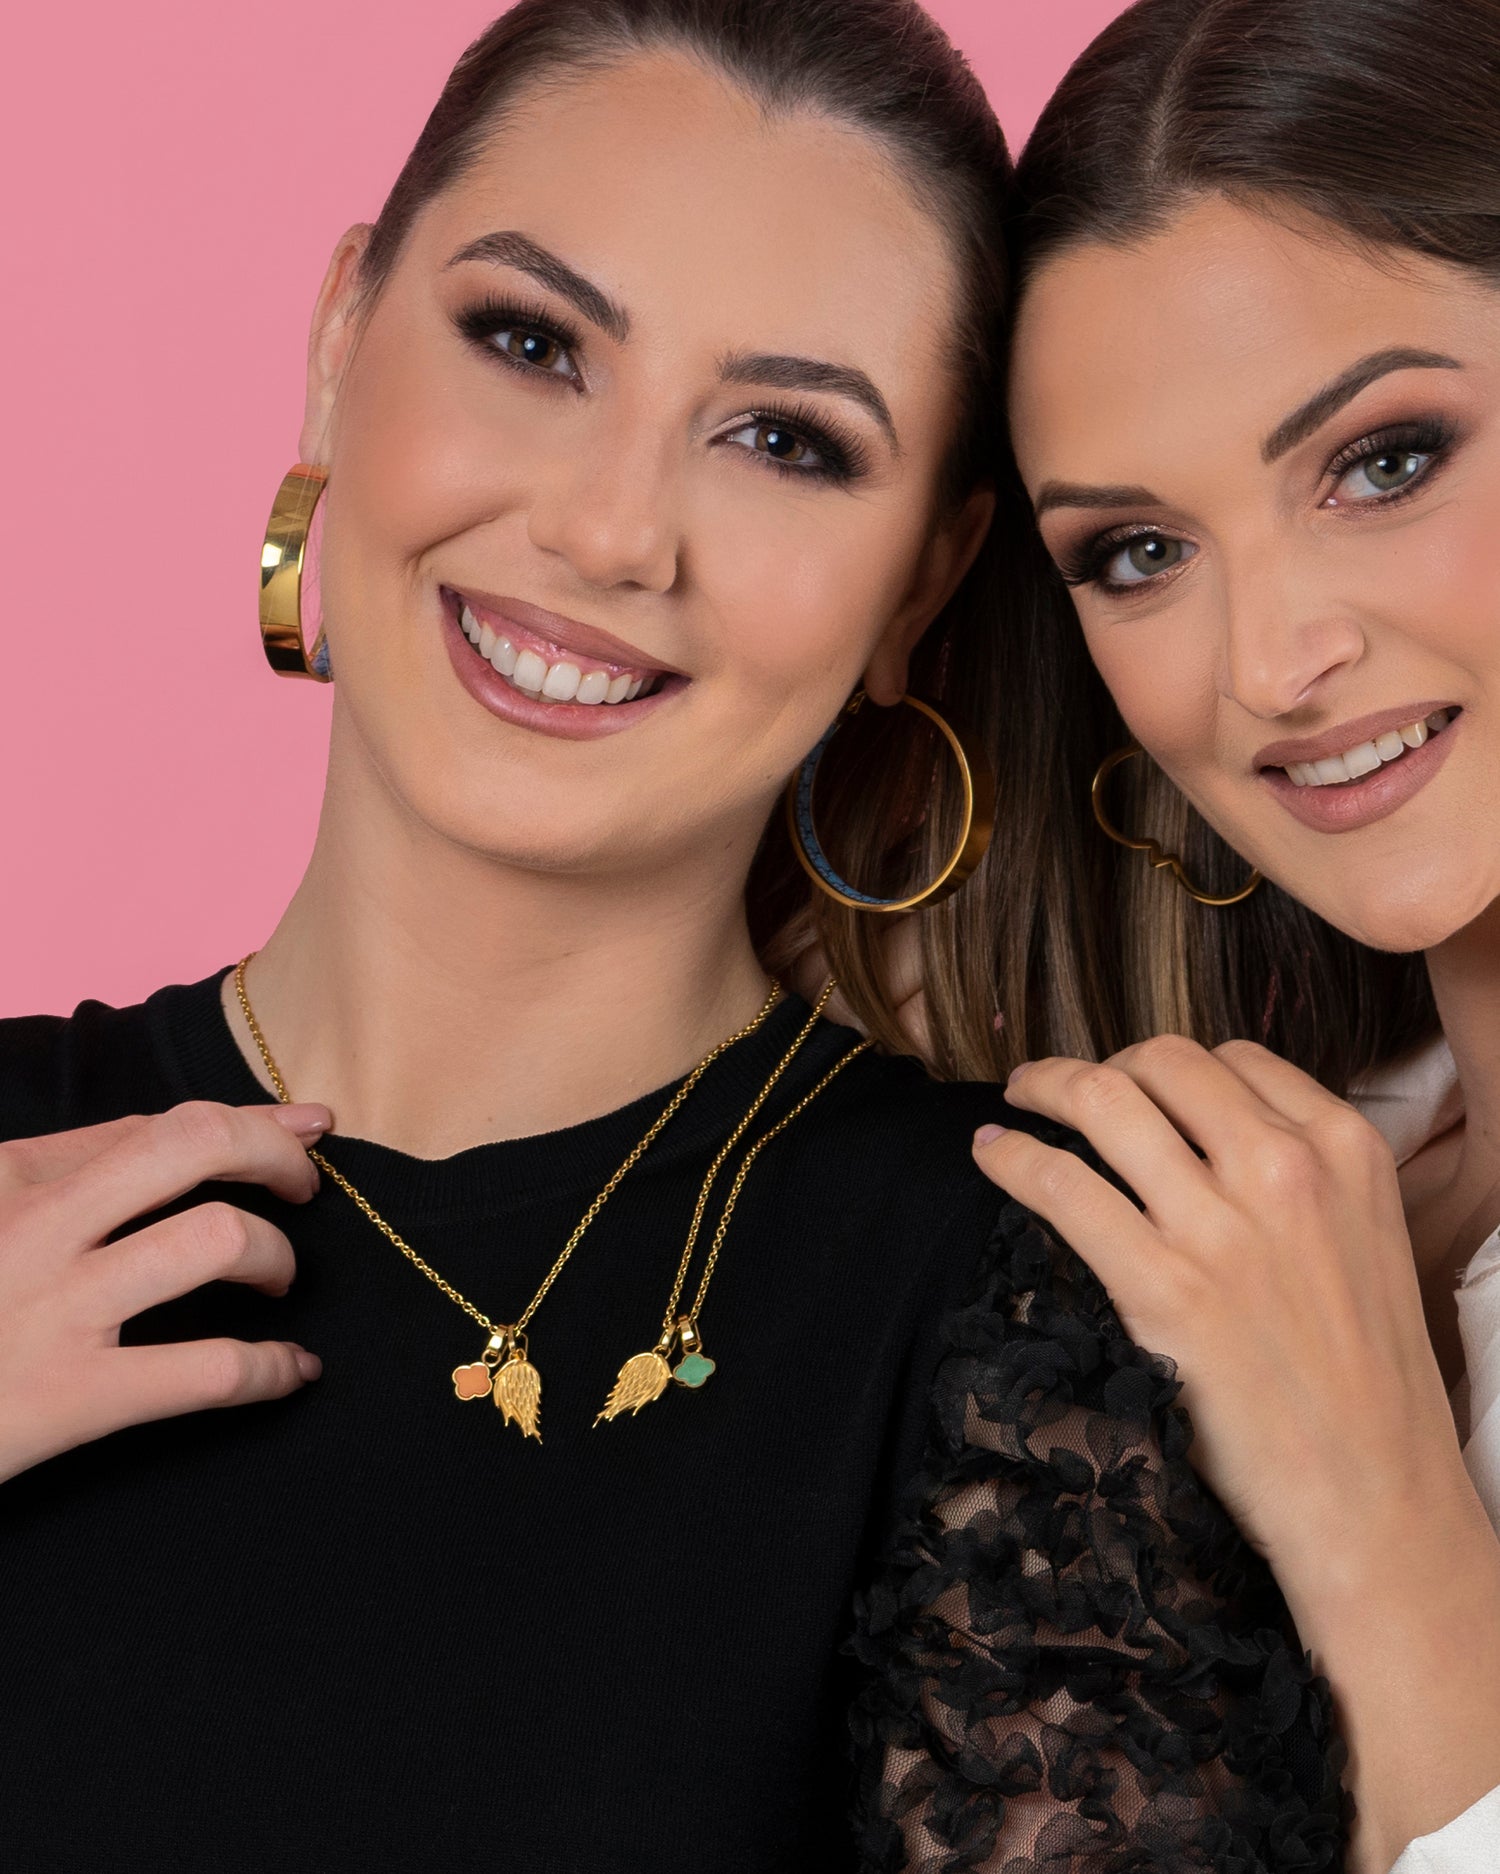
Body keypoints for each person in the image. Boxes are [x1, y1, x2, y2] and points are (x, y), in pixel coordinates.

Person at [0, 2, 1347, 1870]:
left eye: (785, 439)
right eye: (531, 342)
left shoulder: (1028, 1308)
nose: (614, 530)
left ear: (925, 581)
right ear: (338, 344)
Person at [957, 0, 1500, 1869]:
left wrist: (1388, 1537)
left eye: (1384, 459)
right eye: (1139, 553)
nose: (1269, 664)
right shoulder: (1276, 1185)